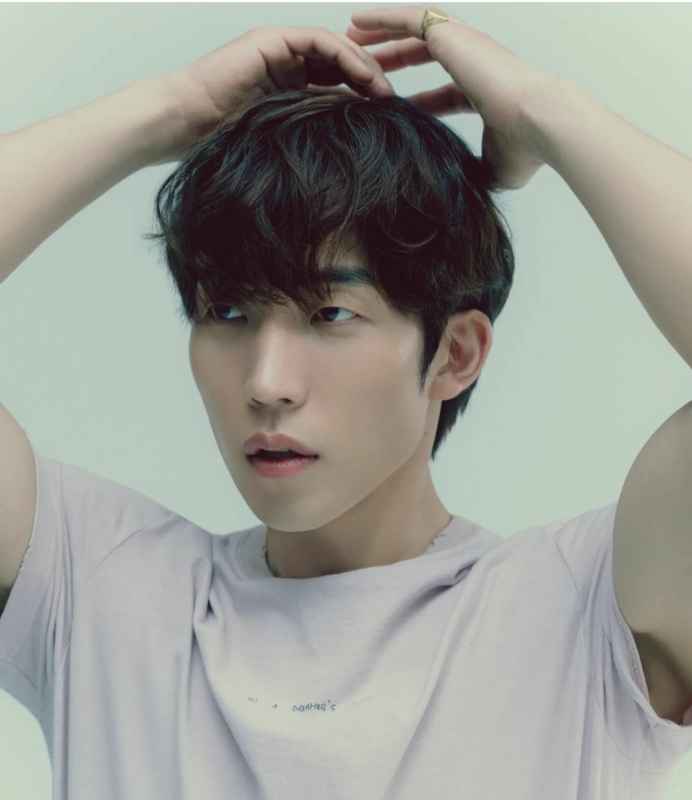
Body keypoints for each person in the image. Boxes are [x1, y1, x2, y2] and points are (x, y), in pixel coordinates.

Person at [2, 7, 692, 799]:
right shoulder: (100, 585)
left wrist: (548, 111)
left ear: (455, 354)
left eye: (330, 315)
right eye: (228, 311)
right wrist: (166, 109)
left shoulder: (581, 608)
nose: (267, 382)